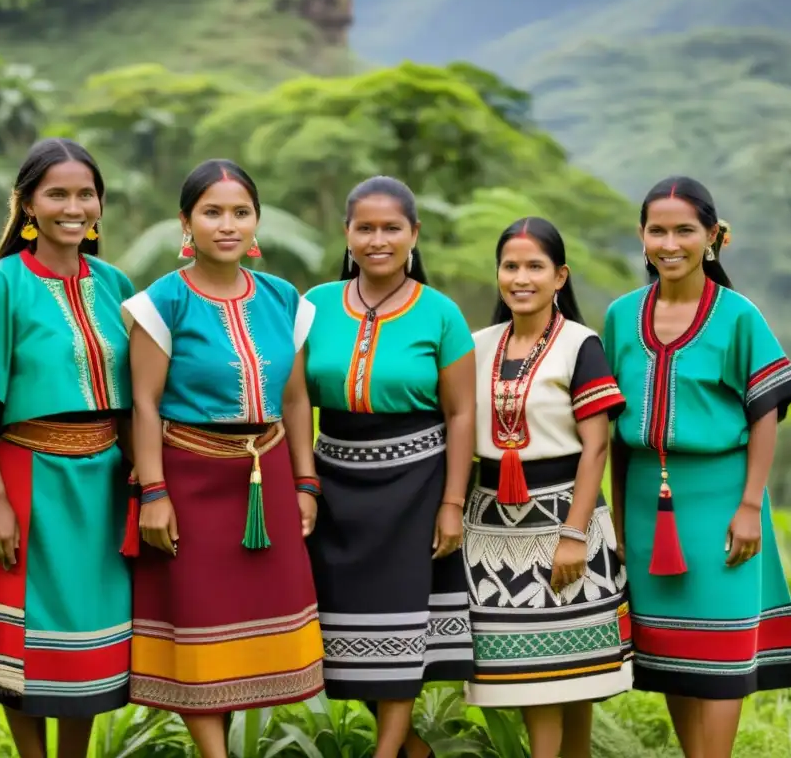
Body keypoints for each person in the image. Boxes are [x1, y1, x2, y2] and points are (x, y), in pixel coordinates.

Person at [0, 138, 134, 758]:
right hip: (26, 477)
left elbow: (140, 393)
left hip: (103, 485)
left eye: (85, 193)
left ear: (99, 204)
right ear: (29, 205)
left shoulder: (116, 284)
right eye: (57, 193)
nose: (74, 206)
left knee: (87, 634)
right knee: (24, 638)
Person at [121, 159, 324, 758]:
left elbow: (294, 395)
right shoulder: (162, 304)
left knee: (256, 618)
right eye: (212, 212)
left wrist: (306, 483)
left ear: (256, 221)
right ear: (186, 222)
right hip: (189, 480)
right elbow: (144, 401)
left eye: (241, 212)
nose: (227, 225)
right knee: (198, 621)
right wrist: (154, 494)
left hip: (269, 472)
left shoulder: (285, 298)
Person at [603, 176, 791, 758]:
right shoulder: (621, 316)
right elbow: (615, 425)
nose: (670, 243)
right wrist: (618, 519)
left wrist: (749, 506)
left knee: (719, 653)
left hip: (721, 498)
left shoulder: (738, 316)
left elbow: (765, 409)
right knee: (674, 655)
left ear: (714, 236)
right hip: (646, 501)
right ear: (642, 237)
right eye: (657, 230)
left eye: (685, 230)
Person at [303, 176, 476, 758]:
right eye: (366, 228)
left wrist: (452, 503)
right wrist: (304, 481)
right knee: (341, 619)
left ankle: (390, 751)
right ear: (347, 234)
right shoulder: (315, 305)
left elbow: (461, 412)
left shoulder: (441, 313)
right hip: (334, 484)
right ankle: (414, 751)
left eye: (391, 228)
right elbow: (294, 398)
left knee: (402, 619)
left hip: (415, 485)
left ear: (414, 234)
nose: (378, 239)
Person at [464, 217, 631, 758]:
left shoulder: (581, 346)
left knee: (564, 679)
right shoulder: (478, 345)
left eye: (535, 266)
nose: (521, 278)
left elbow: (597, 447)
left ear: (560, 276)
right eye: (510, 266)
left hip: (563, 518)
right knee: (535, 678)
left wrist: (574, 534)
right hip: (492, 530)